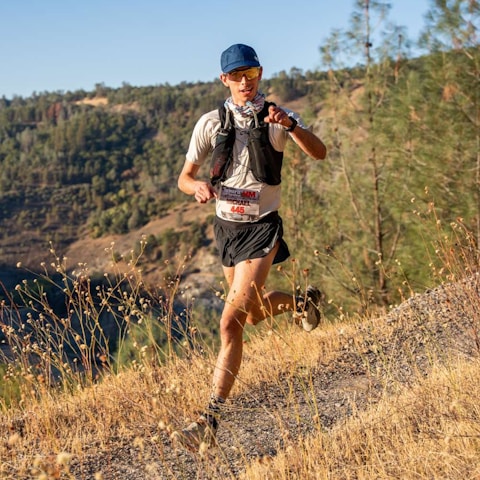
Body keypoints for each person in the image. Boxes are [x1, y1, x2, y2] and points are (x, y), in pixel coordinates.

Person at [171, 43, 327, 451]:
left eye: (251, 74)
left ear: (259, 74)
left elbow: (320, 152)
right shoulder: (210, 123)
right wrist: (198, 186)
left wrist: (292, 127)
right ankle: (300, 303)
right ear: (224, 79)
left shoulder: (279, 118)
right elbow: (184, 177)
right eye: (237, 76)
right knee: (253, 316)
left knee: (229, 324)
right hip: (227, 230)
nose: (245, 82)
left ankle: (209, 421)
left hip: (262, 230)